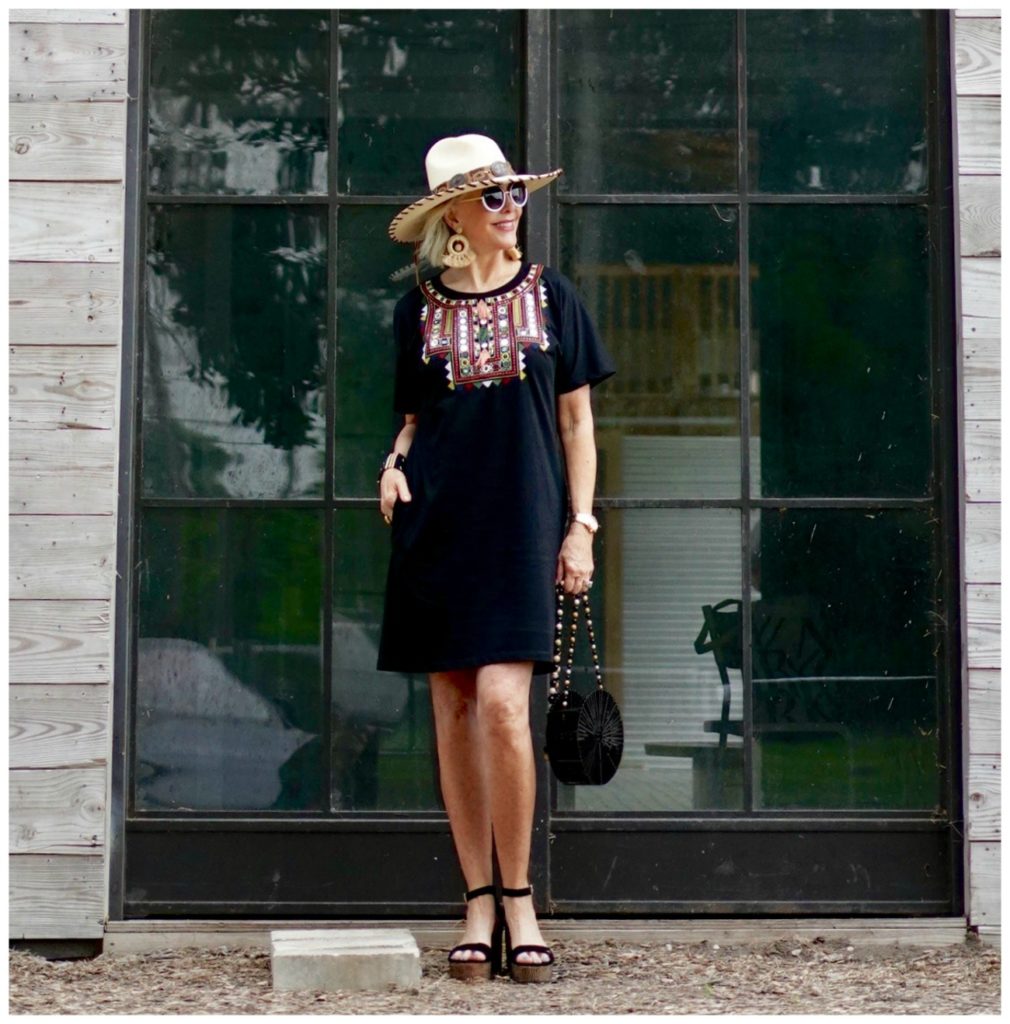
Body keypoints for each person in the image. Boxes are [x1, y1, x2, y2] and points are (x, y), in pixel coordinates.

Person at [376, 134, 615, 983]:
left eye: (515, 192)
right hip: (438, 527)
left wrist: (581, 525)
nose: (511, 207)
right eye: (492, 197)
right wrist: (393, 465)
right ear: (453, 218)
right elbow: (413, 419)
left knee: (506, 708)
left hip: (524, 526)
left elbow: (578, 423)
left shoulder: (553, 298)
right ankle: (475, 897)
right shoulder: (418, 312)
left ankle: (519, 897)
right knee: (453, 709)